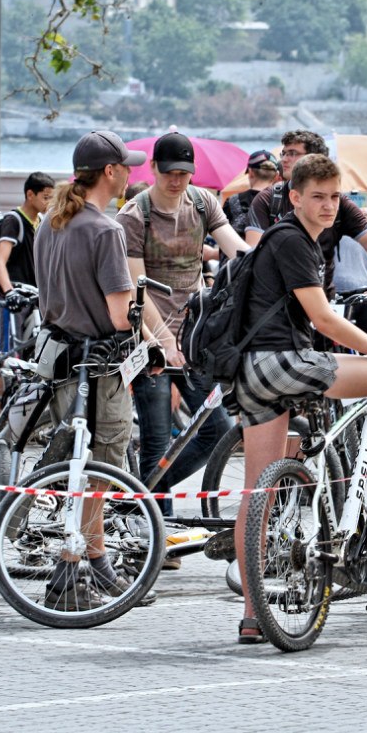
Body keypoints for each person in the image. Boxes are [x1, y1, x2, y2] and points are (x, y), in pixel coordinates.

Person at [233, 153, 367, 643]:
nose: (326, 205)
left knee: (258, 491)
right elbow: (323, 319)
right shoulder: (295, 241)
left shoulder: (289, 239)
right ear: (293, 197)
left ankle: (254, 616)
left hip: (249, 371)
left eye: (334, 197)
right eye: (316, 196)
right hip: (283, 363)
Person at [34, 129, 148, 610]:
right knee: (101, 467)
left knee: (82, 466)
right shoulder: (105, 230)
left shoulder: (52, 221)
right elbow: (122, 315)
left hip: (58, 357)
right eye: (126, 167)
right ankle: (71, 563)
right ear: (110, 171)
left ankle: (95, 558)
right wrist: (152, 341)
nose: (130, 174)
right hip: (99, 365)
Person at [117, 132, 247, 526]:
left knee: (216, 432)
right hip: (149, 338)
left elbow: (236, 249)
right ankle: (160, 527)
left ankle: (136, 497)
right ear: (154, 168)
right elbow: (137, 291)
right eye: (170, 172)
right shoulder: (134, 215)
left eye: (185, 173)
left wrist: (266, 268)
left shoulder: (203, 202)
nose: (177, 180)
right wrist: (164, 342)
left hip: (195, 334)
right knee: (156, 438)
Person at [246, 130, 367, 302]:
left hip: (323, 297)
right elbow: (253, 254)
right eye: (284, 153)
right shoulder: (268, 199)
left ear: (315, 158)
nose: (284, 159)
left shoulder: (340, 203)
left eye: (292, 153)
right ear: (296, 199)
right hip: (276, 304)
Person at [0, 172, 55, 297]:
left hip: (36, 294)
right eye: (46, 198)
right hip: (17, 296)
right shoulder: (13, 221)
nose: (49, 203)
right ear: (30, 194)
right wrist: (10, 293)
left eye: (51, 198)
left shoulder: (41, 220)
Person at [224, 151, 280, 237]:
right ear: (276, 176)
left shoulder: (232, 201)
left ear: (250, 172)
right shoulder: (285, 201)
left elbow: (223, 234)